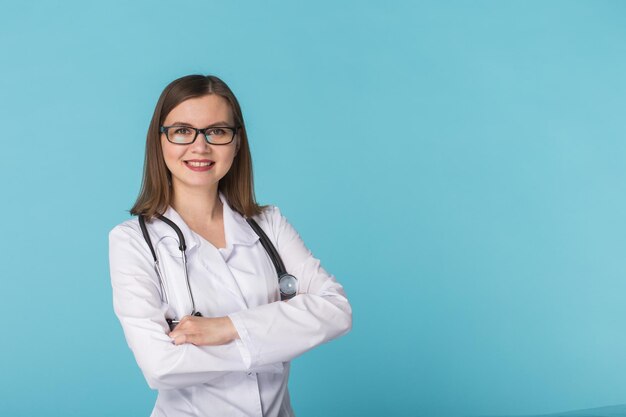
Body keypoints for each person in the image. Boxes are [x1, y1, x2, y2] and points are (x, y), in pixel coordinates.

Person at [108, 74, 352, 417]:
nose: (200, 146)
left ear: (237, 142)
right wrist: (274, 339)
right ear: (159, 140)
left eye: (217, 131)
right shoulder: (133, 241)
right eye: (182, 130)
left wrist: (227, 327)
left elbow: (336, 310)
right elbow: (161, 366)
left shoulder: (270, 224)